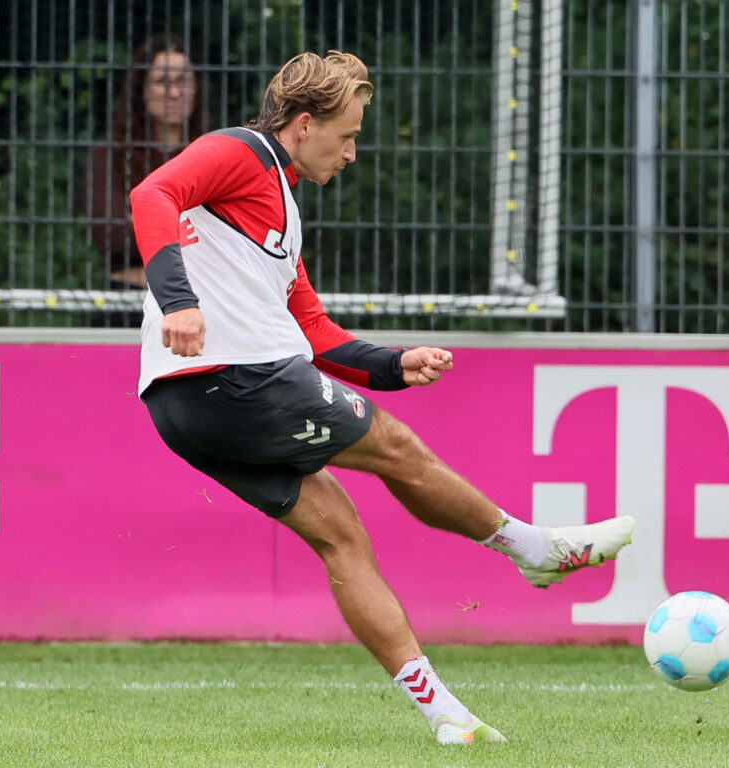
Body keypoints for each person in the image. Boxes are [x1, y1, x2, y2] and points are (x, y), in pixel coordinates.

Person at [129, 50, 636, 745]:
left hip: (184, 408)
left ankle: (446, 717)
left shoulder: (280, 208)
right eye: (347, 136)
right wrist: (179, 303)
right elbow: (151, 194)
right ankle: (535, 549)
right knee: (397, 449)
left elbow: (312, 329)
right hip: (240, 378)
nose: (354, 153)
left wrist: (397, 364)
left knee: (340, 534)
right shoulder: (241, 151)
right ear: (303, 125)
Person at [83, 33, 207, 326]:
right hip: (125, 302)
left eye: (183, 81)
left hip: (199, 302)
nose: (174, 93)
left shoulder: (213, 153)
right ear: (141, 89)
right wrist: (186, 230)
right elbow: (110, 237)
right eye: (163, 82)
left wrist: (141, 220)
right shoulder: (109, 155)